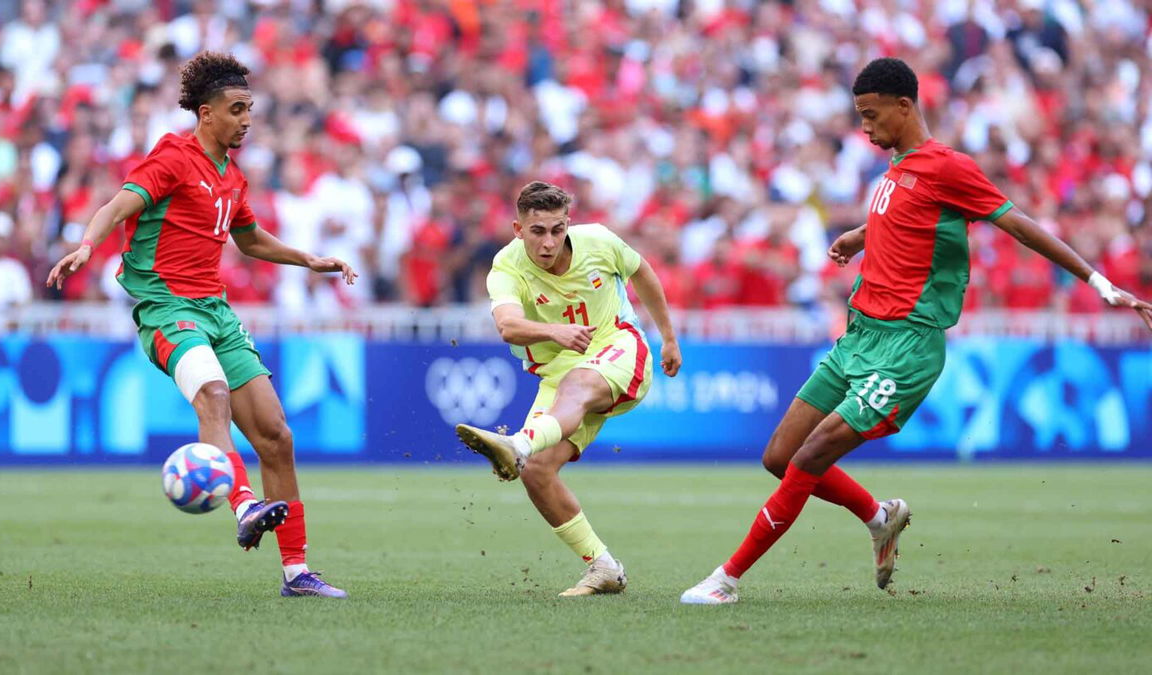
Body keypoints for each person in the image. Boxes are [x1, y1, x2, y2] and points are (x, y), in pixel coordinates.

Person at [680, 57, 1152, 605]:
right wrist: (859, 236)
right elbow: (905, 218)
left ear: (905, 107)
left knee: (810, 457)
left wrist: (1099, 282)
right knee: (779, 458)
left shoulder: (948, 166)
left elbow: (1020, 224)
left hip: (905, 348)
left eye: (870, 114)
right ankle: (880, 517)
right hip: (859, 338)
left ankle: (727, 579)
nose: (864, 127)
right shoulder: (898, 167)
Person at [46, 51, 358, 599]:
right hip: (166, 308)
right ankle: (242, 504)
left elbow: (251, 239)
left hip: (215, 311)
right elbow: (118, 206)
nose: (246, 119)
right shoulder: (172, 156)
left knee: (276, 435)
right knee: (212, 393)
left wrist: (308, 259)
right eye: (236, 109)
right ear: (206, 113)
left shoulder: (232, 178)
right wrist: (86, 245)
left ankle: (297, 573)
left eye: (250, 109)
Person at [455, 180, 682, 597]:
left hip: (619, 348)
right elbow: (507, 326)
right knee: (537, 473)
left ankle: (517, 445)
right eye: (538, 231)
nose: (549, 242)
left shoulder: (599, 242)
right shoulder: (506, 266)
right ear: (517, 229)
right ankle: (604, 567)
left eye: (557, 230)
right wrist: (553, 331)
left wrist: (668, 337)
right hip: (559, 371)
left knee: (575, 388)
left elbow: (642, 272)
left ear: (568, 225)